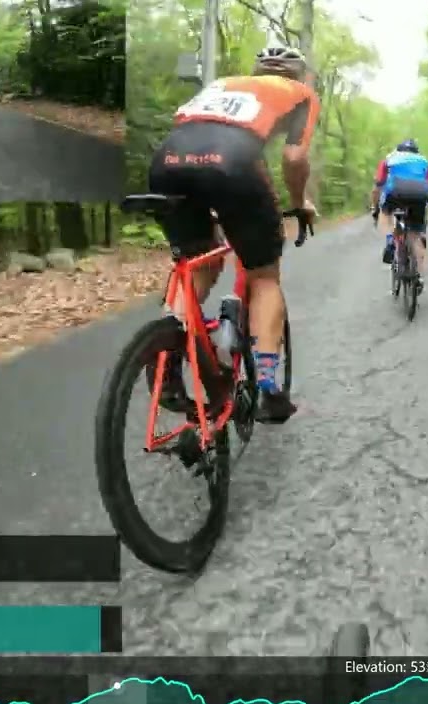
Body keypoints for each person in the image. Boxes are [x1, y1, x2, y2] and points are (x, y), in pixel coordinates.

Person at [149, 45, 319, 425]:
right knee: (263, 276)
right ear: (298, 75)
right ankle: (270, 390)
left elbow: (194, 131)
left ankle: (165, 356)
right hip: (232, 165)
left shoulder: (222, 84)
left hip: (167, 161)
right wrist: (299, 202)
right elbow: (293, 158)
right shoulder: (300, 94)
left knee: (198, 263)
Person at [371, 139, 428, 292]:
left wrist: (376, 209)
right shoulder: (425, 162)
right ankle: (419, 276)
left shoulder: (389, 159)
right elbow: (427, 185)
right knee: (415, 236)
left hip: (396, 192)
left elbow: (378, 185)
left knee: (385, 213)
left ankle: (390, 241)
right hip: (419, 195)